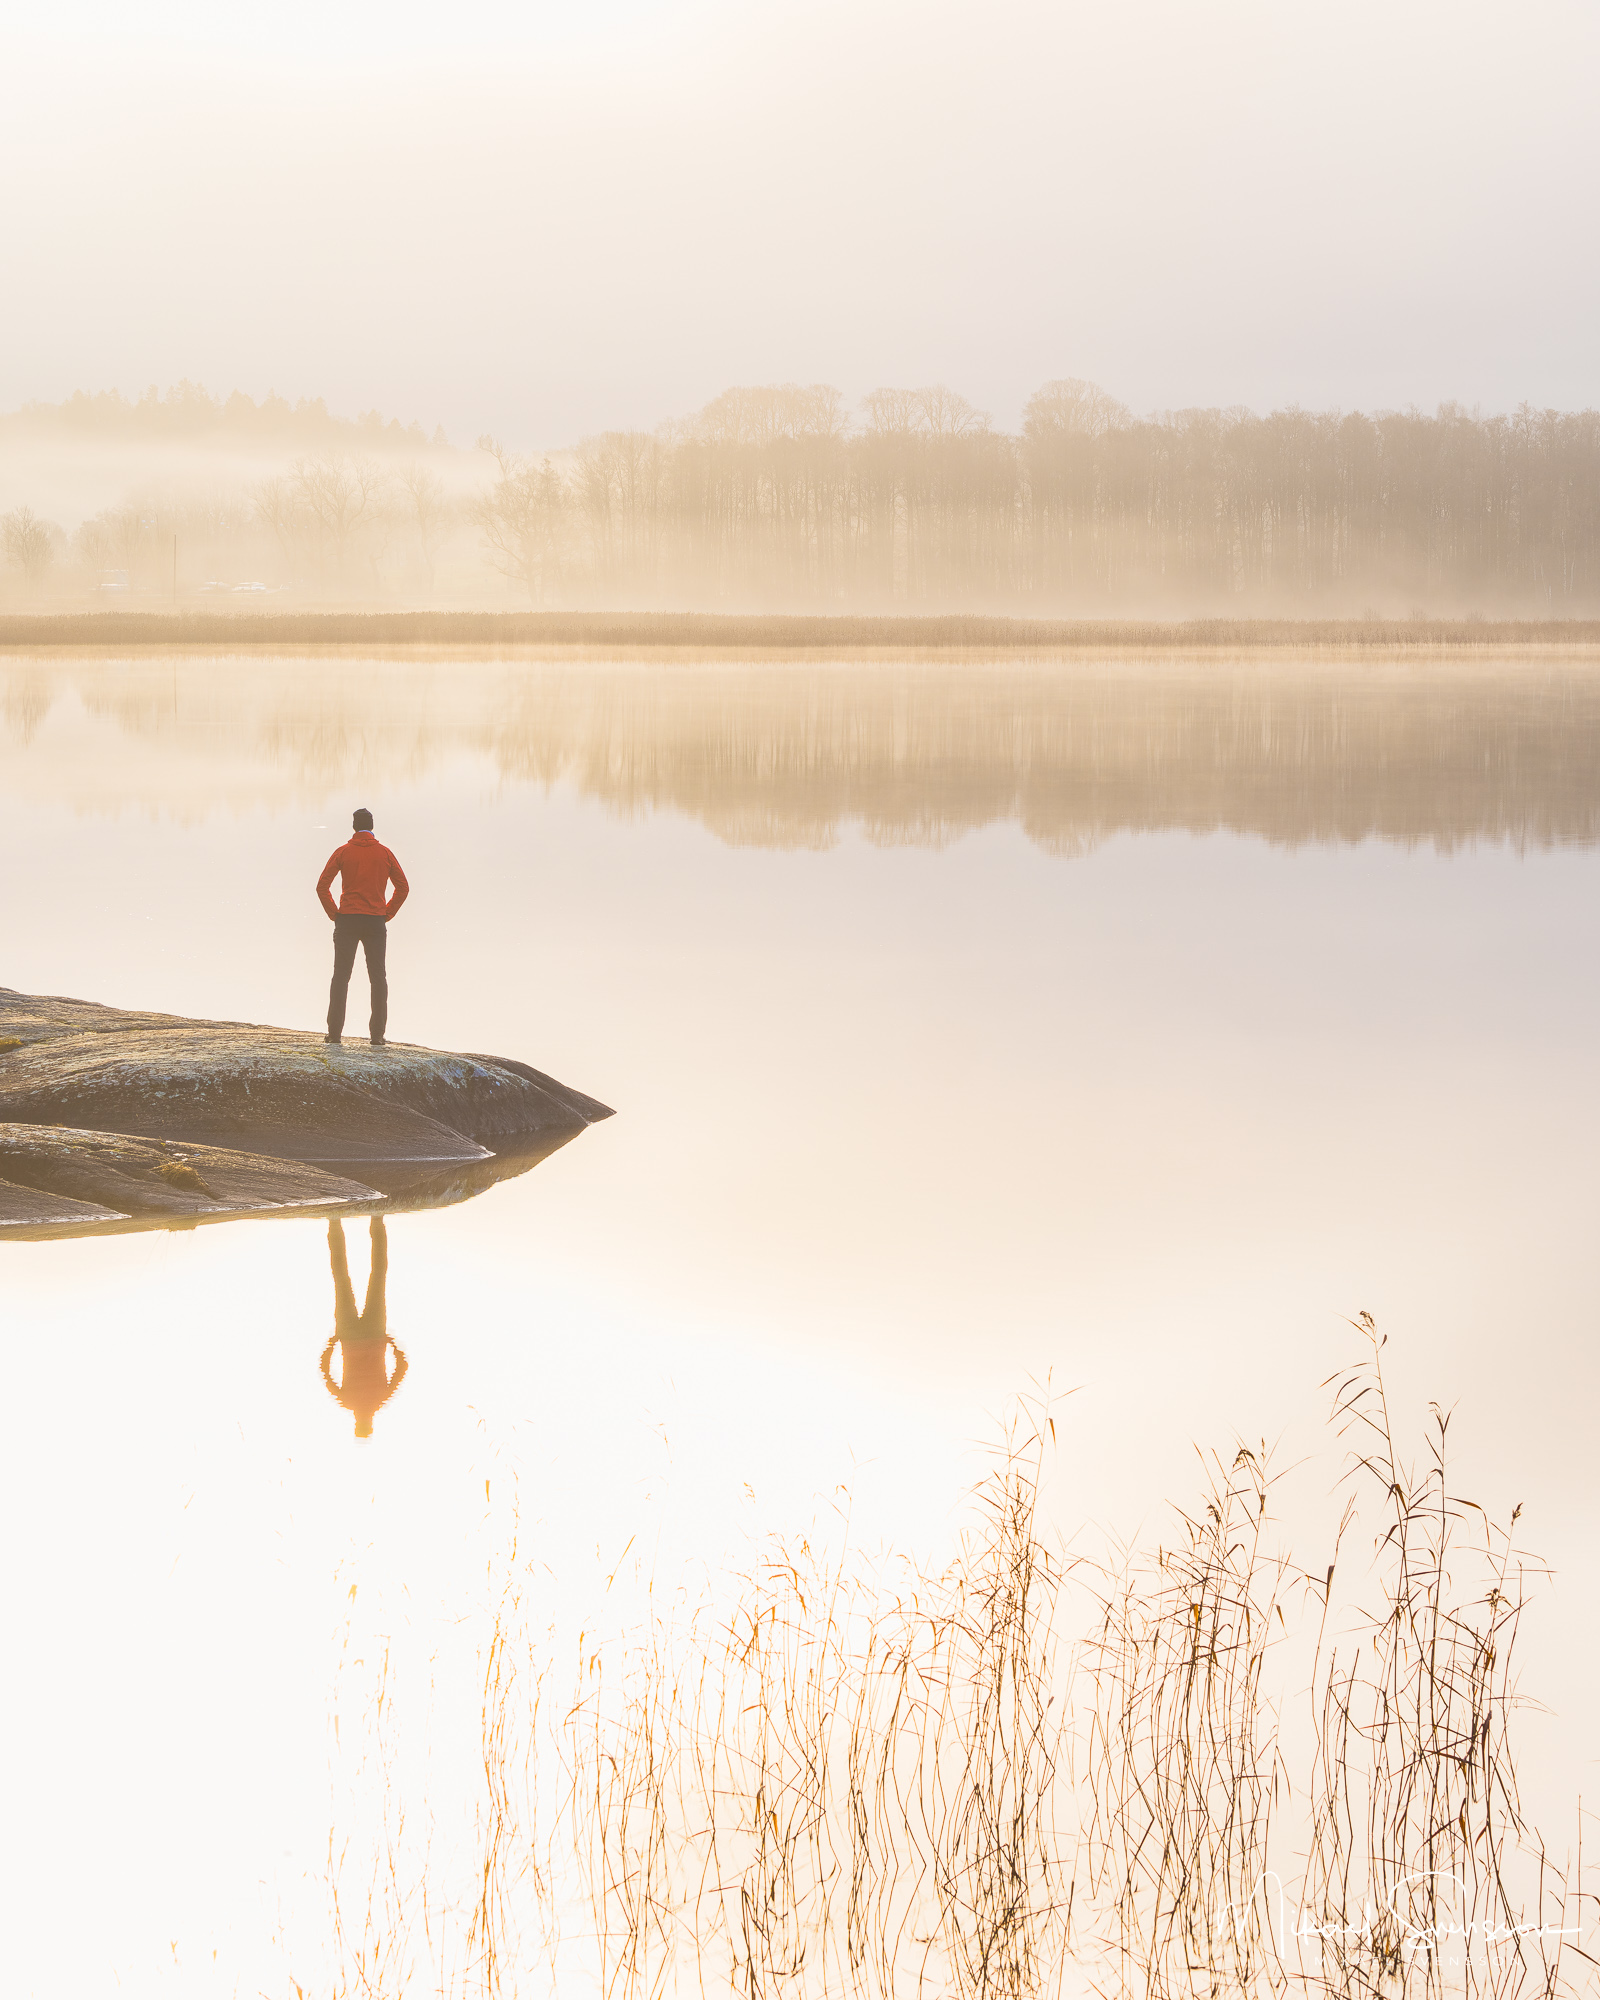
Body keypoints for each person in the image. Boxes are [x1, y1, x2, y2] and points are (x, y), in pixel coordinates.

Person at [316, 806, 409, 1047]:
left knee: (340, 977)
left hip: (346, 919)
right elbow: (403, 888)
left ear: (354, 827)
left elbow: (322, 886)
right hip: (375, 920)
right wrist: (387, 913)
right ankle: (377, 1037)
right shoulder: (384, 853)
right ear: (372, 827)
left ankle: (334, 1034)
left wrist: (334, 914)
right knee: (378, 978)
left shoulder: (343, 852)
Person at [320, 1216, 407, 1439]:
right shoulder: (348, 1401)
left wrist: (390, 1342)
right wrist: (332, 1344)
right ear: (359, 1423)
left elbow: (402, 1367)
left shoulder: (381, 1400)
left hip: (375, 1333)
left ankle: (377, 1220)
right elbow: (325, 1373)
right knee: (341, 1278)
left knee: (378, 1276)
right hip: (348, 1336)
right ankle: (335, 1222)